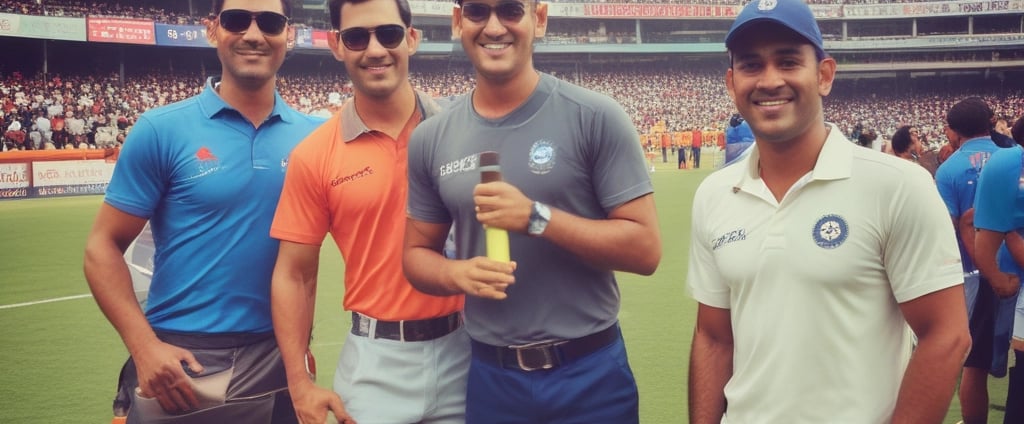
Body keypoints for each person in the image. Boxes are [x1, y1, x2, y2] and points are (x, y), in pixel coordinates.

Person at [686, 0, 970, 422]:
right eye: (751, 65)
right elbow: (713, 337)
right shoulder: (714, 193)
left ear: (824, 75)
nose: (769, 80)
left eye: (787, 61)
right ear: (732, 83)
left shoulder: (897, 185)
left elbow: (946, 337)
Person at [403, 0, 662, 421]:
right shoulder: (431, 138)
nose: (493, 26)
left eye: (509, 10)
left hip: (590, 373)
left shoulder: (595, 116)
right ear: (457, 21)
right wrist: (456, 274)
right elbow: (415, 255)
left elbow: (645, 249)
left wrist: (537, 218)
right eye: (477, 12)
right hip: (492, 378)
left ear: (538, 19)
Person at [82, 0, 323, 421]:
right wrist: (144, 347)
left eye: (269, 22)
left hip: (277, 358)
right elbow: (101, 247)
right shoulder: (161, 128)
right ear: (212, 30)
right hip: (181, 361)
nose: (253, 34)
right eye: (236, 20)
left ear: (290, 34)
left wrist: (300, 350)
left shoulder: (316, 137)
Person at [268, 0, 467, 423]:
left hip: (466, 350)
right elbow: (294, 273)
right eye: (357, 37)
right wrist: (299, 382)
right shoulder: (314, 155)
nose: (375, 49)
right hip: (376, 361)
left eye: (389, 34)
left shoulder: (462, 131)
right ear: (336, 45)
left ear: (411, 39)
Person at [934, 97, 1008, 424]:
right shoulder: (1014, 157)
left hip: (974, 275)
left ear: (954, 129)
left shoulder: (949, 169)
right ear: (990, 121)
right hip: (1018, 269)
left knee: (973, 365)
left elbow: (945, 229)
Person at [974, 116, 1024, 424]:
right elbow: (982, 231)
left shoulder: (1005, 164)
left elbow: (981, 232)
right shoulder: (1006, 165)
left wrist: (1011, 236)